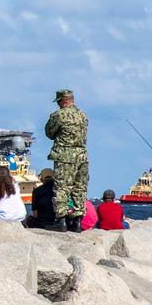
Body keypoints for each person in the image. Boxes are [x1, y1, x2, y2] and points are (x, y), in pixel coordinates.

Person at [44, 89, 89, 232]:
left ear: (63, 101)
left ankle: (61, 221)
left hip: (65, 155)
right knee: (79, 187)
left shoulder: (59, 115)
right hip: (82, 155)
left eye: (58, 102)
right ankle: (77, 222)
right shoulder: (83, 115)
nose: (58, 105)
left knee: (62, 187)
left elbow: (49, 133)